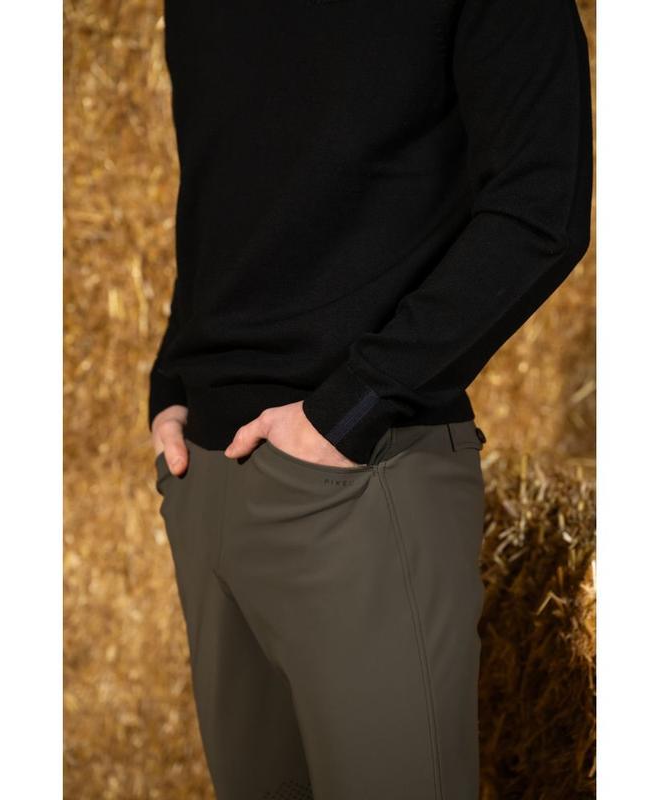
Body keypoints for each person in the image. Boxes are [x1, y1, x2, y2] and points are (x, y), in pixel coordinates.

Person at [149, 0, 592, 797]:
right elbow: (224, 194)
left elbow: (542, 203)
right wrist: (173, 383)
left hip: (359, 480)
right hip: (203, 478)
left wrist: (352, 410)